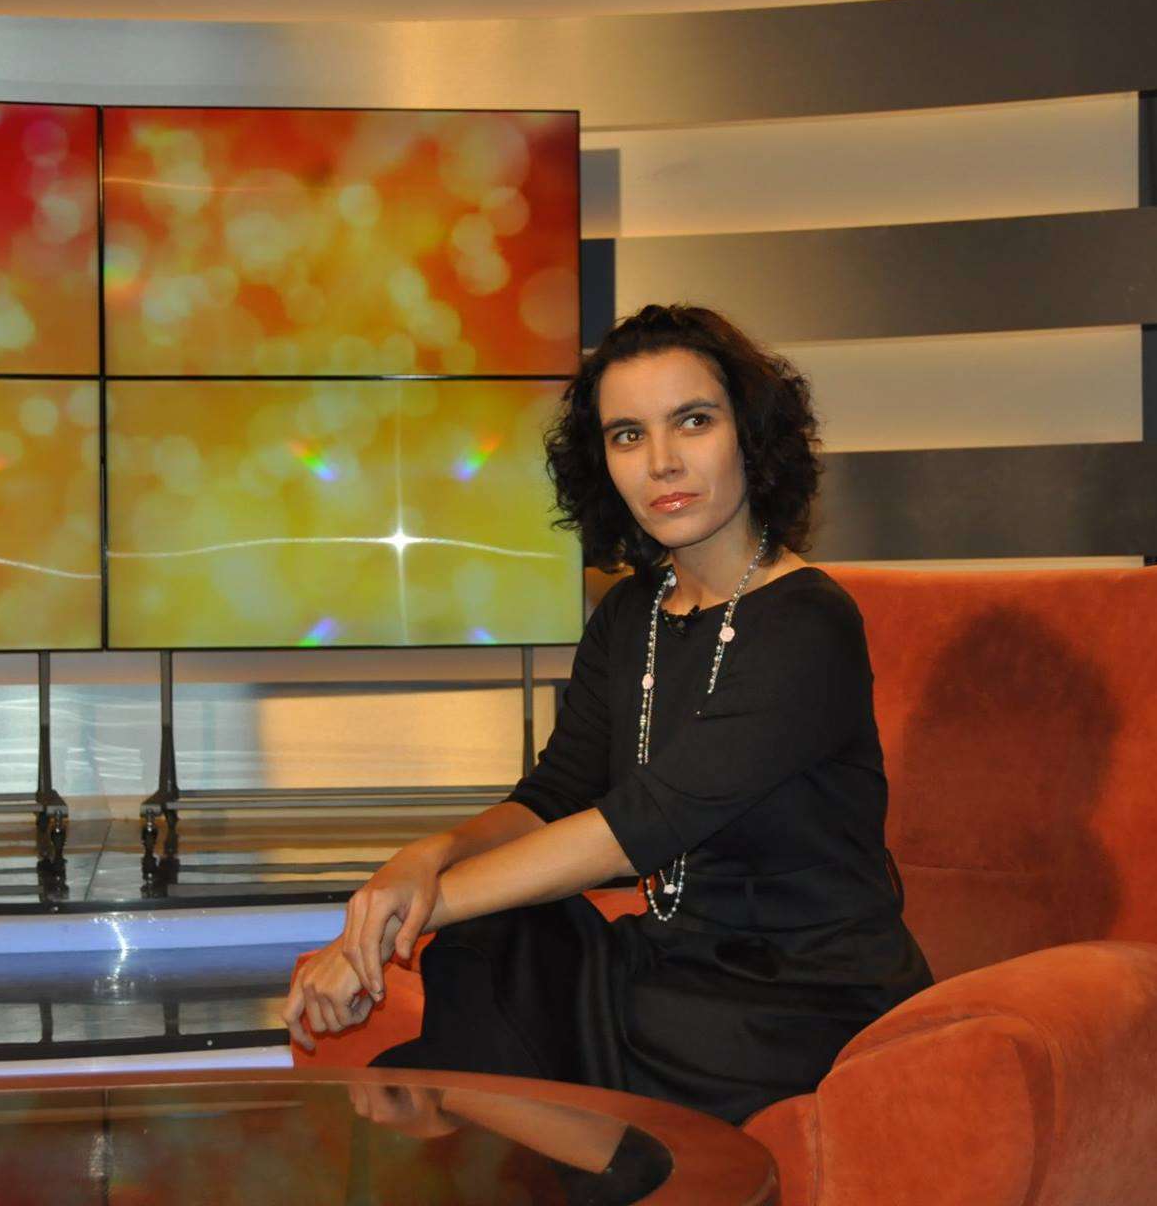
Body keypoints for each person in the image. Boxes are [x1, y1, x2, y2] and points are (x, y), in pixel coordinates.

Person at [283, 303, 934, 1126]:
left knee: (480, 1014)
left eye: (693, 421)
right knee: (495, 943)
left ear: (750, 436)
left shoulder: (808, 623)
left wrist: (389, 927)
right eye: (629, 435)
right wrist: (427, 856)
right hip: (674, 961)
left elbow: (637, 827)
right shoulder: (633, 615)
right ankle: (485, 1128)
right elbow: (553, 797)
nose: (662, 462)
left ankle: (480, 1128)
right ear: (605, 464)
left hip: (800, 994)